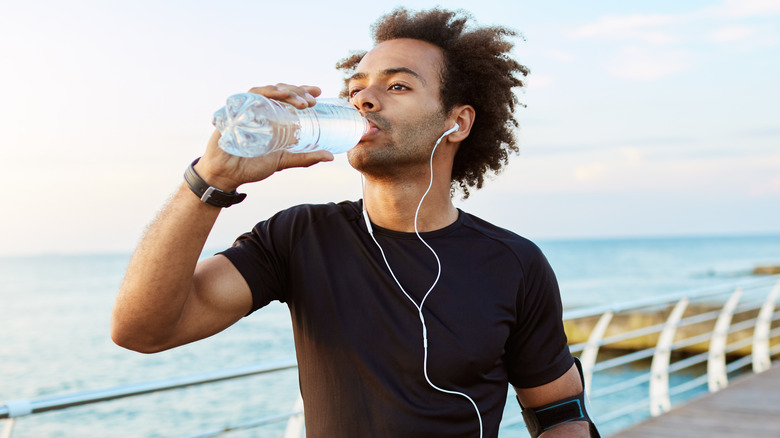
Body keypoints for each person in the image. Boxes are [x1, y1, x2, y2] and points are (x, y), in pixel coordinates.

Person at [111, 7, 598, 438]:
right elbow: (143, 331)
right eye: (356, 88)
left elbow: (559, 415)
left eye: (398, 85)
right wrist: (209, 179)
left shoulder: (513, 262)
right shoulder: (300, 237)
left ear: (459, 122)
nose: (365, 98)